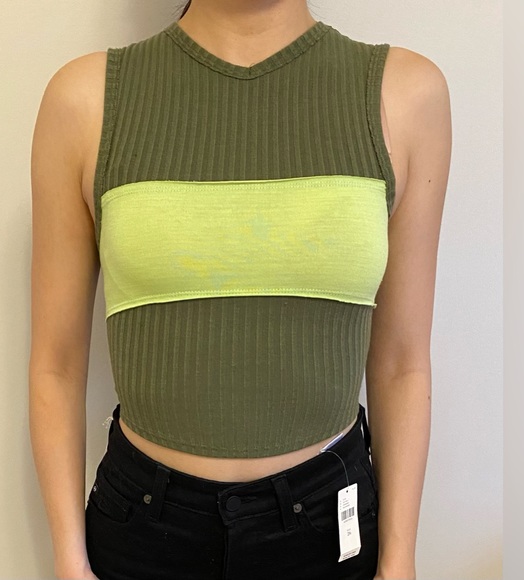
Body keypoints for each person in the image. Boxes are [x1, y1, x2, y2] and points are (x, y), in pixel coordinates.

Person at [28, 0, 451, 578]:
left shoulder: (404, 95)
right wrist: (69, 563)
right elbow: (55, 363)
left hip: (328, 526)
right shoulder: (85, 99)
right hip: (144, 531)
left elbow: (403, 362)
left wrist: (400, 559)